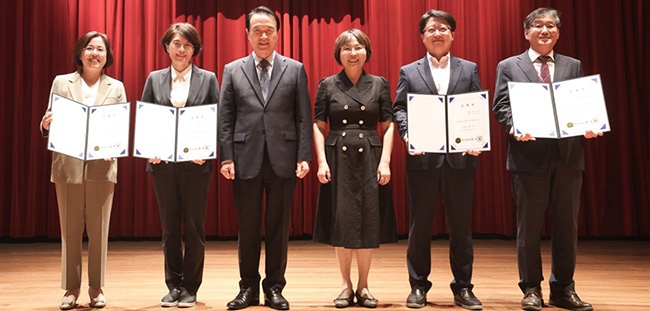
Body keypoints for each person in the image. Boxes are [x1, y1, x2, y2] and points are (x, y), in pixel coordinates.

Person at [493, 7, 601, 311]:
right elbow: (501, 105)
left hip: (567, 157)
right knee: (528, 228)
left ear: (558, 32)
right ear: (526, 32)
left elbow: (580, 102)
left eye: (551, 26)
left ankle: (563, 288)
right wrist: (515, 128)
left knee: (567, 226)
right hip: (527, 158)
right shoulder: (509, 66)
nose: (545, 30)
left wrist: (588, 123)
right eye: (538, 25)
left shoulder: (572, 65)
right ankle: (531, 289)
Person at [218, 6, 312, 311]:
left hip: (284, 157)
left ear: (277, 33)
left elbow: (302, 117)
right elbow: (226, 118)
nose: (263, 35)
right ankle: (247, 288)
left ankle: (274, 287)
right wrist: (226, 158)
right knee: (247, 228)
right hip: (245, 158)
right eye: (256, 30)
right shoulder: (232, 70)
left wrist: (303, 155)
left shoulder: (294, 69)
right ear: (247, 34)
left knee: (278, 227)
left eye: (268, 30)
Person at [393, 10, 484, 310]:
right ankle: (418, 286)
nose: (437, 34)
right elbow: (400, 109)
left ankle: (463, 288)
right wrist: (409, 136)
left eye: (443, 28)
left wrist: (477, 139)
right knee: (420, 226)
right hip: (423, 159)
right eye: (431, 29)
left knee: (461, 226)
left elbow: (475, 107)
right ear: (422, 36)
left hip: (460, 160)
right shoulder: (409, 71)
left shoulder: (469, 69)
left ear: (453, 34)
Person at [312, 29, 398, 309]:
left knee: (367, 222)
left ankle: (364, 286)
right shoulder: (327, 84)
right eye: (347, 48)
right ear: (338, 53)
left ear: (366, 53)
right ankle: (345, 285)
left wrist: (385, 160)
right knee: (343, 221)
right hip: (338, 156)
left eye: (358, 47)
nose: (352, 52)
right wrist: (322, 161)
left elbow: (387, 124)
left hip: (370, 157)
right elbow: (318, 124)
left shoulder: (379, 83)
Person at [40, 31, 126, 310]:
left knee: (100, 229)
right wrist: (46, 125)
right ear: (80, 53)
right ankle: (71, 288)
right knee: (70, 228)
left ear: (107, 56)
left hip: (102, 165)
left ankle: (96, 287)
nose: (95, 53)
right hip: (68, 164)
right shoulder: (61, 82)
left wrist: (117, 144)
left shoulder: (116, 86)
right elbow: (48, 119)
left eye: (100, 49)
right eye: (89, 48)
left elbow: (120, 127)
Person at [141, 22, 219, 308]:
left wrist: (206, 150)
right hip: (162, 165)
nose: (181, 49)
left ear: (194, 49)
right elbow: (147, 117)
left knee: (195, 227)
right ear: (166, 47)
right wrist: (150, 149)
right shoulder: (154, 78)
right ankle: (173, 285)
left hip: (196, 164)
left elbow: (216, 119)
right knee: (170, 227)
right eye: (176, 43)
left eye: (187, 45)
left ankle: (191, 287)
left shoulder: (208, 78)